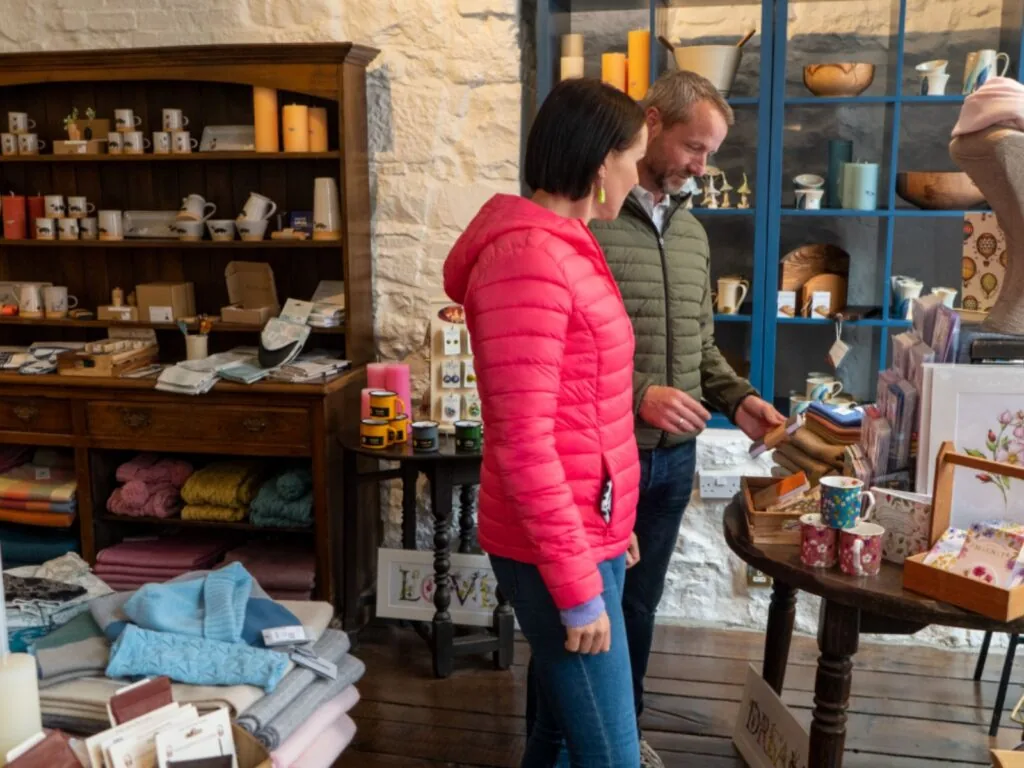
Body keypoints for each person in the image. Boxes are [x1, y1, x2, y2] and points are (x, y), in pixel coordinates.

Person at [443, 78, 647, 768]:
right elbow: (525, 441)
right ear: (600, 165)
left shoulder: (566, 244)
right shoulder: (527, 259)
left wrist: (615, 528)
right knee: (611, 755)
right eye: (635, 159)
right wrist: (578, 587)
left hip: (587, 531)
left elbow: (585, 410)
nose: (638, 176)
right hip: (553, 549)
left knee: (559, 734)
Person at [590, 70, 786, 768]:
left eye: (710, 154)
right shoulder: (593, 221)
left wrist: (739, 398)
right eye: (693, 149)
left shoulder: (696, 234)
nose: (702, 168)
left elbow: (701, 349)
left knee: (637, 610)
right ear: (650, 122)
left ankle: (623, 734)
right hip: (605, 458)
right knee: (583, 617)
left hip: (673, 462)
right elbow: (569, 349)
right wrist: (640, 393)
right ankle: (561, 746)